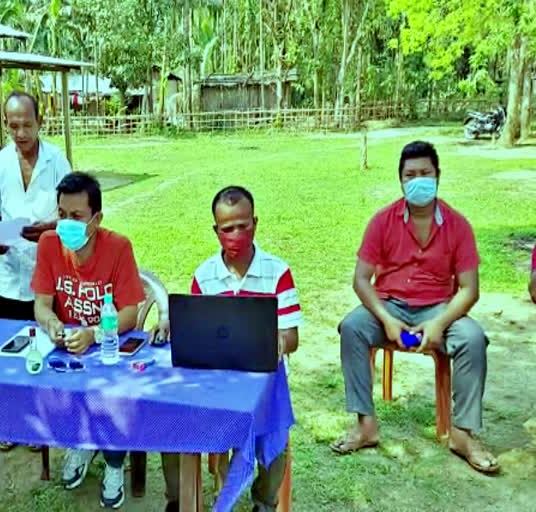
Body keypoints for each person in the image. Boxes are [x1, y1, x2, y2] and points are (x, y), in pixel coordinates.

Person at [330, 141, 500, 474]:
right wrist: (387, 319)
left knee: (473, 338)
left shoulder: (457, 225)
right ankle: (365, 425)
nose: (418, 180)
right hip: (389, 305)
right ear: (401, 180)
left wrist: (439, 323)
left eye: (425, 173)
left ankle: (462, 434)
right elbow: (362, 280)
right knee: (351, 327)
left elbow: (469, 289)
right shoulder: (382, 221)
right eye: (411, 174)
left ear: (438, 176)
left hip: (439, 308)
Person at [161, 186, 302, 512]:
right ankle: (180, 500)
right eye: (227, 228)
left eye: (244, 225)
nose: (236, 234)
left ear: (255, 222)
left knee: (276, 434)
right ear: (216, 231)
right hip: (215, 379)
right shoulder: (204, 275)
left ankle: (263, 503)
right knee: (173, 420)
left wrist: (275, 342)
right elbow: (195, 329)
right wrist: (176, 328)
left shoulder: (276, 272)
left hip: (263, 381)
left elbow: (292, 336)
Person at [31, 172, 145, 509]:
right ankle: (79, 442)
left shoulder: (118, 247)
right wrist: (52, 323)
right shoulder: (49, 244)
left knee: (114, 394)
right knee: (48, 382)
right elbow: (41, 304)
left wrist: (95, 333)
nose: (66, 223)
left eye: (76, 217)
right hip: (66, 347)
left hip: (107, 345)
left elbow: (129, 313)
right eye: (62, 214)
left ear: (96, 219)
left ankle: (113, 462)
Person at [0, 91, 71, 451]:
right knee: (10, 350)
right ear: (6, 124)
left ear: (40, 122)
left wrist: (49, 227)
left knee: (45, 348)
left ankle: (41, 425)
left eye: (27, 125)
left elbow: (72, 211)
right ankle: (11, 424)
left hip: (47, 273)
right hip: (9, 274)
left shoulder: (56, 161)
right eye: (14, 125)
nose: (21, 133)